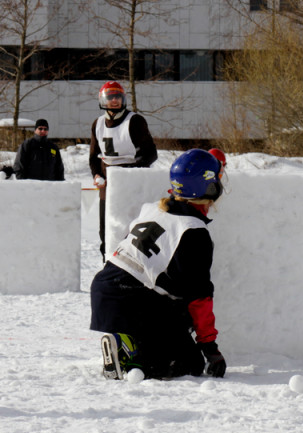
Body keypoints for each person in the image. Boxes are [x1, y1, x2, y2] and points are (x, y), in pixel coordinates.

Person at [89, 148, 227, 381]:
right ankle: (131, 352)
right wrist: (210, 349)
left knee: (175, 312)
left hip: (106, 288)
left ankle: (127, 340)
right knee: (188, 363)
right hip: (130, 299)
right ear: (210, 188)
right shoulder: (193, 231)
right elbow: (199, 296)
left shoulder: (153, 208)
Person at [89, 81, 158, 262]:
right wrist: (96, 174)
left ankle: (133, 264)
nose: (114, 101)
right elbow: (93, 157)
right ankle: (107, 263)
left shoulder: (135, 121)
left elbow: (151, 154)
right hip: (108, 185)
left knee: (130, 227)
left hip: (131, 184)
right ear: (103, 100)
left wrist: (129, 174)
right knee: (106, 229)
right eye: (110, 97)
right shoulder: (98, 124)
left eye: (118, 97)